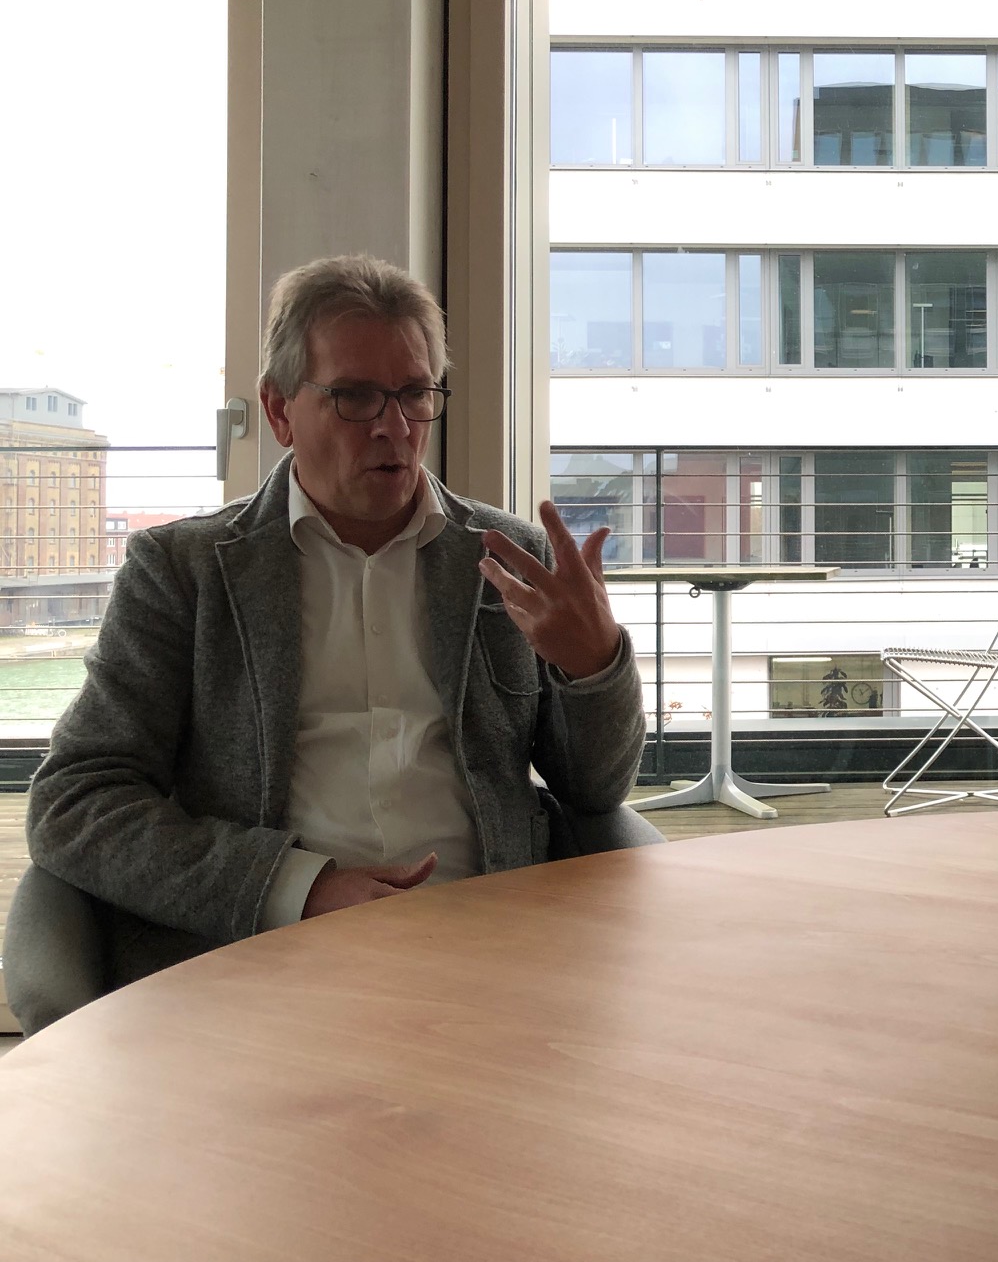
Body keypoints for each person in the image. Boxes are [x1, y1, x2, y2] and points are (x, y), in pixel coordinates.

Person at [23, 255, 647, 995]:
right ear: (279, 410)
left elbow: (594, 790)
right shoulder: (183, 571)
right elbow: (77, 800)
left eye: (415, 393)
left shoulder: (510, 558)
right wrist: (299, 888)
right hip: (263, 954)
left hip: (490, 944)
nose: (395, 427)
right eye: (354, 396)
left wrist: (593, 666)